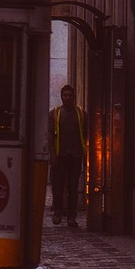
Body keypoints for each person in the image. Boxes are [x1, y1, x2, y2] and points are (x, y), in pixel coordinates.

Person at [49, 83, 87, 228]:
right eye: (65, 95)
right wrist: (53, 154)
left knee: (73, 188)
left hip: (75, 156)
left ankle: (71, 217)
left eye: (70, 95)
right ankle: (58, 211)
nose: (67, 98)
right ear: (61, 97)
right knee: (57, 186)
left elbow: (86, 134)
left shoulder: (81, 114)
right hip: (60, 156)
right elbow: (50, 136)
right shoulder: (54, 114)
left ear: (73, 97)